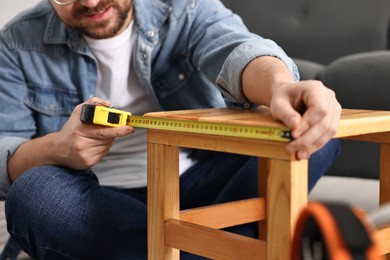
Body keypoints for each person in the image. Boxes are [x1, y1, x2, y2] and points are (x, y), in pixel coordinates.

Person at [0, 0, 341, 259]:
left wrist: (280, 86)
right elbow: (5, 151)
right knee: (32, 195)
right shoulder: (16, 42)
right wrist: (57, 149)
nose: (90, 3)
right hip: (95, 200)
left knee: (314, 134)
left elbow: (237, 50)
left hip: (196, 185)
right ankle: (223, 247)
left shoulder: (184, 7)